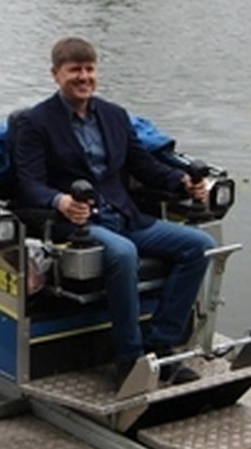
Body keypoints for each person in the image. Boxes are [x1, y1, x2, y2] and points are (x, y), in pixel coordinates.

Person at [13, 36, 215, 388]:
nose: (84, 77)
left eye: (90, 69)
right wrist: (60, 201)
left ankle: (161, 347)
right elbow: (29, 184)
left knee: (198, 245)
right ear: (56, 74)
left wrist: (183, 181)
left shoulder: (115, 115)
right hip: (73, 223)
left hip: (125, 215)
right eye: (75, 70)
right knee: (124, 253)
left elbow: (145, 166)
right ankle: (129, 361)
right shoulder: (33, 123)